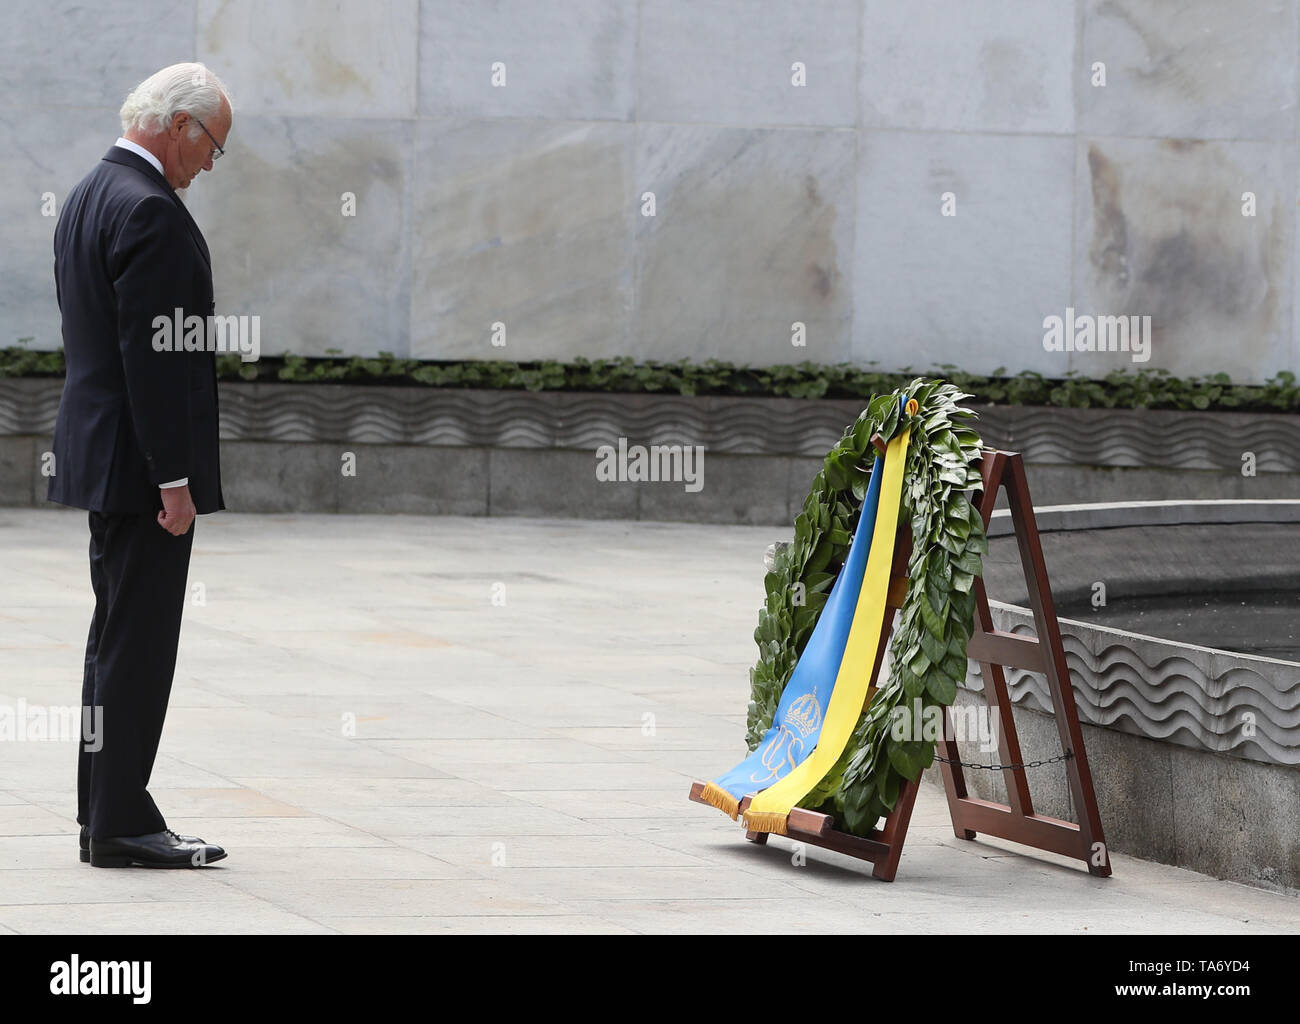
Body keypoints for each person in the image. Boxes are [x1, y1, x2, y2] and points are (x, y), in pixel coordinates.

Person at [49, 62, 233, 868]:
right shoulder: (151, 211)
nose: (210, 165)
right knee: (139, 644)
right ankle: (120, 821)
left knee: (112, 640)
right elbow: (152, 359)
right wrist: (175, 481)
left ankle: (106, 810)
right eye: (213, 146)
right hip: (141, 470)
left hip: (102, 456)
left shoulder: (90, 191)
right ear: (180, 126)